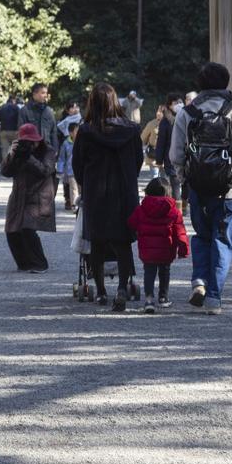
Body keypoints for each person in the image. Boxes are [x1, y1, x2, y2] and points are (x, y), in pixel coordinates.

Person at [170, 62, 232, 314]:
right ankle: (214, 298)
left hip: (198, 187)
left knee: (201, 236)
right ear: (226, 83)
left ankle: (199, 281)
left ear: (200, 84)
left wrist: (185, 177)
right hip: (230, 188)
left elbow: (176, 155)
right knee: (222, 240)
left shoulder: (187, 113)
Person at [72, 83, 143, 311]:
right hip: (124, 192)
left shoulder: (86, 131)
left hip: (96, 192)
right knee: (123, 242)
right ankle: (122, 287)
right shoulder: (132, 130)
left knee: (98, 243)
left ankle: (101, 291)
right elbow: (138, 160)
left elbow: (77, 164)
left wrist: (85, 183)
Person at [128, 176, 190, 313]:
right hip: (166, 249)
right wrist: (183, 250)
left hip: (147, 250)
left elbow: (131, 223)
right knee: (165, 271)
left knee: (149, 272)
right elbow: (180, 232)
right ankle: (163, 297)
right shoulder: (173, 211)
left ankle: (149, 299)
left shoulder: (141, 209)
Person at [2, 123, 57, 272]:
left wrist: (29, 158)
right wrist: (11, 154)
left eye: (32, 141)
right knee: (11, 229)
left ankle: (40, 264)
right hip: (19, 194)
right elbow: (5, 172)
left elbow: (45, 170)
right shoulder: (18, 151)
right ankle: (24, 263)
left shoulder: (48, 151)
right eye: (26, 142)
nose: (30, 145)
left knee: (27, 228)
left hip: (39, 194)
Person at [155, 94, 184, 205]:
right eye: (175, 103)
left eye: (180, 102)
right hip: (171, 157)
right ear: (169, 105)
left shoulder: (186, 116)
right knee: (175, 184)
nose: (178, 105)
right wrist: (159, 160)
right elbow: (161, 141)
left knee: (185, 185)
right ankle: (177, 210)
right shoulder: (166, 120)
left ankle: (182, 206)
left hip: (187, 156)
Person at [18, 83, 58, 152]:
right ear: (34, 94)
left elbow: (53, 132)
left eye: (46, 93)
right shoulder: (25, 111)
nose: (45, 95)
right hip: (31, 151)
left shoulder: (49, 111)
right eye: (43, 93)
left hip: (47, 150)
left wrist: (55, 149)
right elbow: (21, 133)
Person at [57, 121, 79, 210]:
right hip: (70, 170)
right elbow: (62, 158)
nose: (78, 133)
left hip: (80, 169)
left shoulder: (82, 142)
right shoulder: (66, 143)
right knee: (73, 188)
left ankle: (81, 204)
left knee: (80, 188)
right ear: (70, 133)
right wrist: (60, 170)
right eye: (76, 131)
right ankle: (74, 205)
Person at [141, 106, 164, 179]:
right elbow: (143, 137)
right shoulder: (152, 123)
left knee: (165, 179)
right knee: (155, 178)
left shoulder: (171, 123)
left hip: (166, 157)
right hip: (154, 156)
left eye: (161, 111)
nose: (158, 113)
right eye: (158, 111)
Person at [0, 94, 20, 158]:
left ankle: (5, 162)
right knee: (15, 149)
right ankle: (14, 162)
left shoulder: (1, 107)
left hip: (4, 132)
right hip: (14, 132)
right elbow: (20, 120)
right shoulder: (16, 108)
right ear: (13, 100)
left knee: (5, 150)